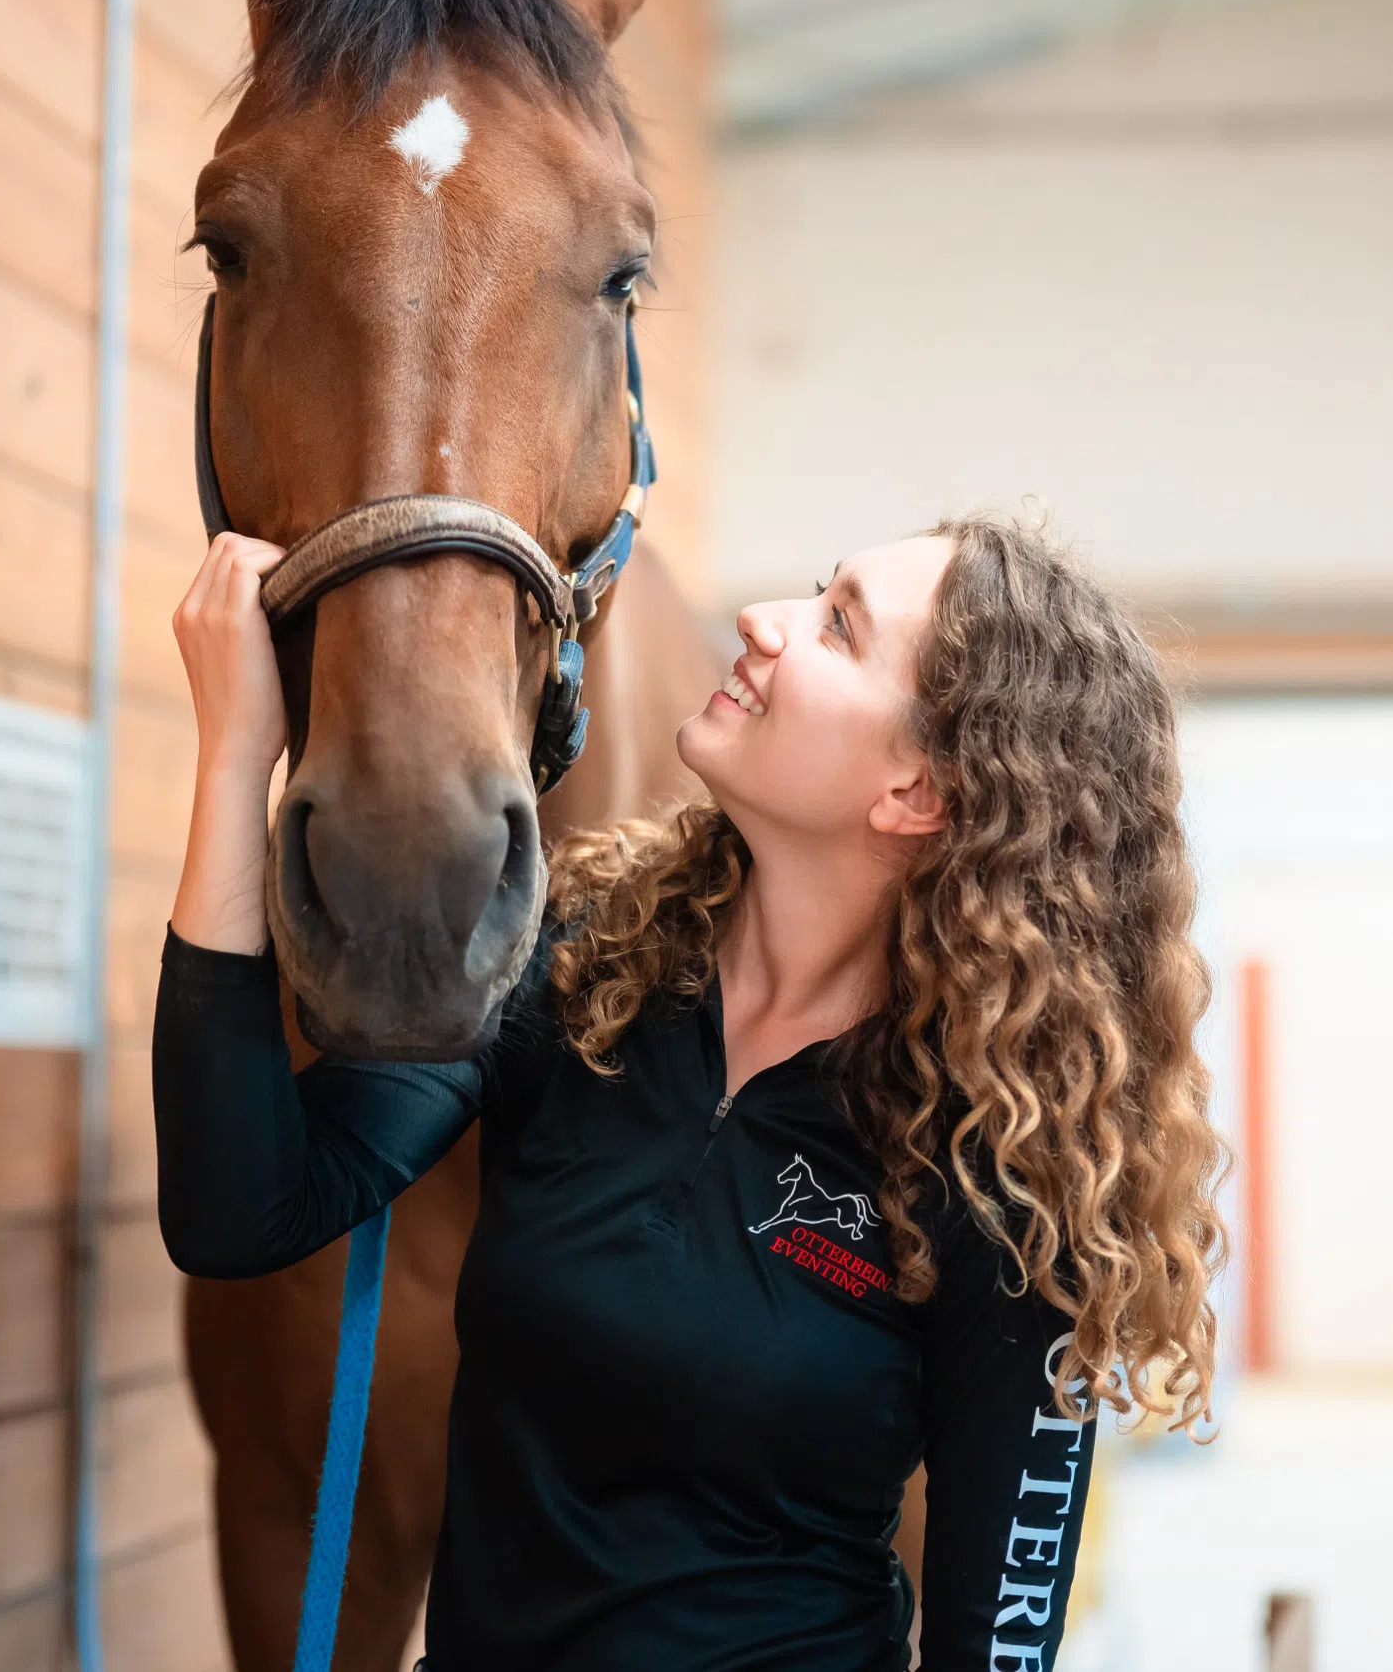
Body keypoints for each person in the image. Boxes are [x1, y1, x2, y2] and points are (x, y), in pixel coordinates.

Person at [156, 512, 1227, 1670]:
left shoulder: (1002, 1163)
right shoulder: (578, 967)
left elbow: (995, 1647)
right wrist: (234, 761)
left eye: (836, 628)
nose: (762, 624)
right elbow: (240, 1208)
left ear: (917, 790)